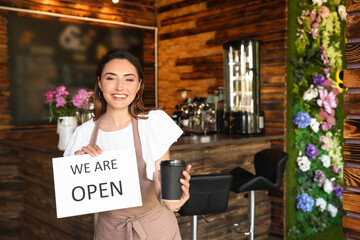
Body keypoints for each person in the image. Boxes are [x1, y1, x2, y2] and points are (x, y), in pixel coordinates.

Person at [64, 50, 191, 240]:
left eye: (129, 79)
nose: (119, 87)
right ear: (99, 83)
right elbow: (75, 199)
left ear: (139, 85)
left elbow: (161, 186)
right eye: (111, 78)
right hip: (109, 232)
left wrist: (173, 202)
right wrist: (82, 169)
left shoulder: (153, 124)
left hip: (157, 231)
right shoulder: (83, 134)